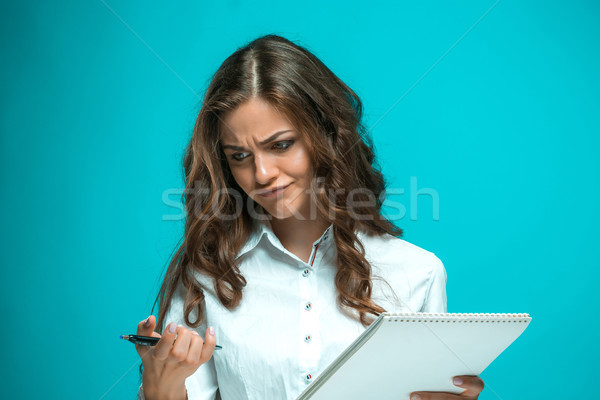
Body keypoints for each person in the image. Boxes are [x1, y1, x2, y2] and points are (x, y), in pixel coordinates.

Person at [134, 34, 485, 400]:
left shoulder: (417, 272)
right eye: (239, 156)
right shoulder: (207, 275)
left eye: (281, 144)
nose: (263, 173)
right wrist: (161, 388)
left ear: (327, 135)